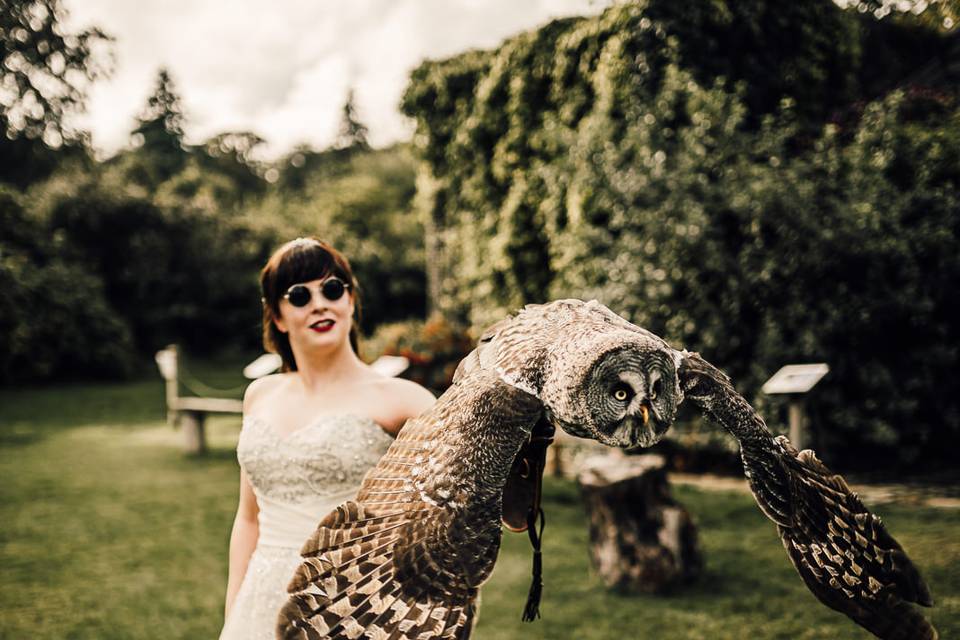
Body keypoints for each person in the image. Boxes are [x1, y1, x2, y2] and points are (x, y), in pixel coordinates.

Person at [219, 237, 435, 640]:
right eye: (300, 295)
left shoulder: (404, 401)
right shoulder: (260, 396)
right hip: (259, 609)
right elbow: (248, 519)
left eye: (332, 289)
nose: (319, 303)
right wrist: (234, 614)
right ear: (278, 317)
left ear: (350, 301)